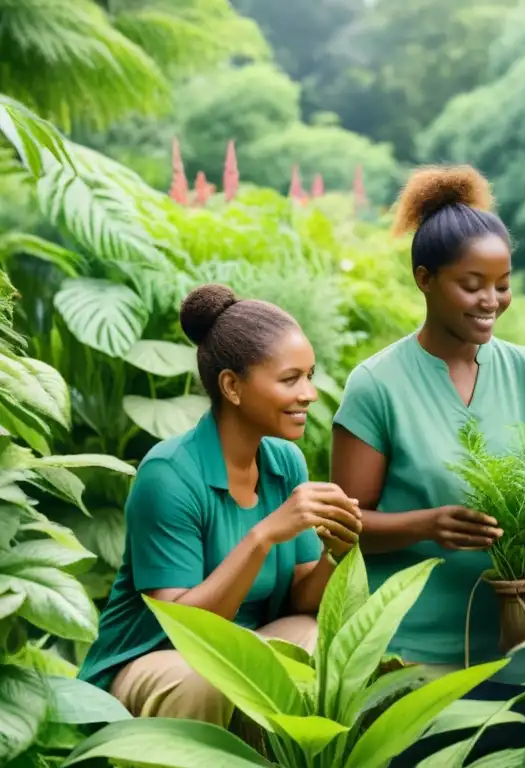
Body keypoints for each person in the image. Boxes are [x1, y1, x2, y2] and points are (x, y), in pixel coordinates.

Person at [331, 167, 525, 761]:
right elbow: (343, 530)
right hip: (409, 653)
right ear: (424, 280)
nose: (492, 300)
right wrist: (426, 523)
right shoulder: (376, 385)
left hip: (519, 642)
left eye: (503, 283)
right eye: (472, 284)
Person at [78, 284, 362, 727]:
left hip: (243, 648)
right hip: (155, 662)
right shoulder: (169, 474)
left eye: (310, 375)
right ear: (232, 386)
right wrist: (266, 533)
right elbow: (182, 627)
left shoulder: (284, 462)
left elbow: (302, 596)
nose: (309, 393)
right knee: (211, 676)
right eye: (291, 379)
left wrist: (336, 551)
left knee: (316, 639)